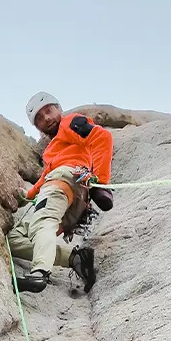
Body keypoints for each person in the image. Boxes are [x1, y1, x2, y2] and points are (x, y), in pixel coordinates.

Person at [8, 92, 114, 294]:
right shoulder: (54, 149)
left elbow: (102, 137)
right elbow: (45, 177)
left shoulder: (70, 123)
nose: (46, 118)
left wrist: (101, 183)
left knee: (43, 222)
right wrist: (27, 196)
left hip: (66, 181)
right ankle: (75, 258)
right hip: (72, 197)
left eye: (49, 111)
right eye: (39, 118)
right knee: (15, 239)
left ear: (59, 109)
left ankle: (40, 273)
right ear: (37, 127)